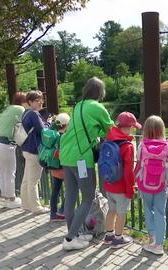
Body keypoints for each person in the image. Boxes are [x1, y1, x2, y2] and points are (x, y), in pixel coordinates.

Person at [60, 77, 114, 251]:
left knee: (71, 197)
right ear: (100, 92)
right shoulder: (97, 107)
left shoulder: (78, 105)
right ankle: (69, 239)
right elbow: (111, 129)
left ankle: (74, 234)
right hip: (81, 159)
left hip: (66, 155)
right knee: (88, 197)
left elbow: (85, 128)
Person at [135, 115, 168, 255]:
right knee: (160, 213)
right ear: (162, 129)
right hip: (161, 186)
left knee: (148, 209)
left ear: (145, 129)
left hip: (145, 185)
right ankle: (159, 244)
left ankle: (151, 239)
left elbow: (139, 165)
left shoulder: (141, 146)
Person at [102, 112, 141, 248]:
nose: (133, 129)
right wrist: (130, 188)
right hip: (121, 187)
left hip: (108, 183)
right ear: (128, 127)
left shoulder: (108, 139)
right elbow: (128, 171)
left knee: (111, 210)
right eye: (132, 127)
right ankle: (118, 239)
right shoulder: (127, 146)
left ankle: (108, 235)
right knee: (122, 212)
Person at [0, 92, 27, 209]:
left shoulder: (9, 109)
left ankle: (5, 198)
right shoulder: (21, 109)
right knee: (10, 172)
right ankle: (12, 199)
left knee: (2, 172)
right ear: (24, 101)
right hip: (5, 144)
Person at [20, 90, 49, 214]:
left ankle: (26, 204)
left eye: (41, 99)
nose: (41, 102)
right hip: (34, 150)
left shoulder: (25, 113)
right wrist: (49, 123)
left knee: (27, 180)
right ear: (30, 102)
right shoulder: (34, 114)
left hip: (26, 149)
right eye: (37, 100)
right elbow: (42, 131)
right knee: (33, 181)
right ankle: (36, 207)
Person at [49, 113, 70, 222]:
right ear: (66, 124)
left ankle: (53, 213)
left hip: (54, 166)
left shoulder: (53, 135)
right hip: (65, 167)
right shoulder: (65, 137)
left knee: (55, 190)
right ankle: (63, 211)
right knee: (70, 189)